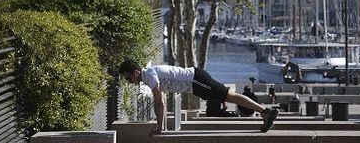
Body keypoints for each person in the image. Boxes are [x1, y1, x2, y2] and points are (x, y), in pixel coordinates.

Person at [119, 60, 278, 135]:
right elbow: (163, 103)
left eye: (128, 78)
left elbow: (159, 103)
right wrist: (161, 127)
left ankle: (265, 112)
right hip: (196, 83)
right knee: (230, 97)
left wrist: (159, 128)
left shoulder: (149, 76)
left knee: (231, 97)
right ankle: (265, 112)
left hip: (196, 80)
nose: (129, 81)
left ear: (136, 72)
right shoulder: (149, 74)